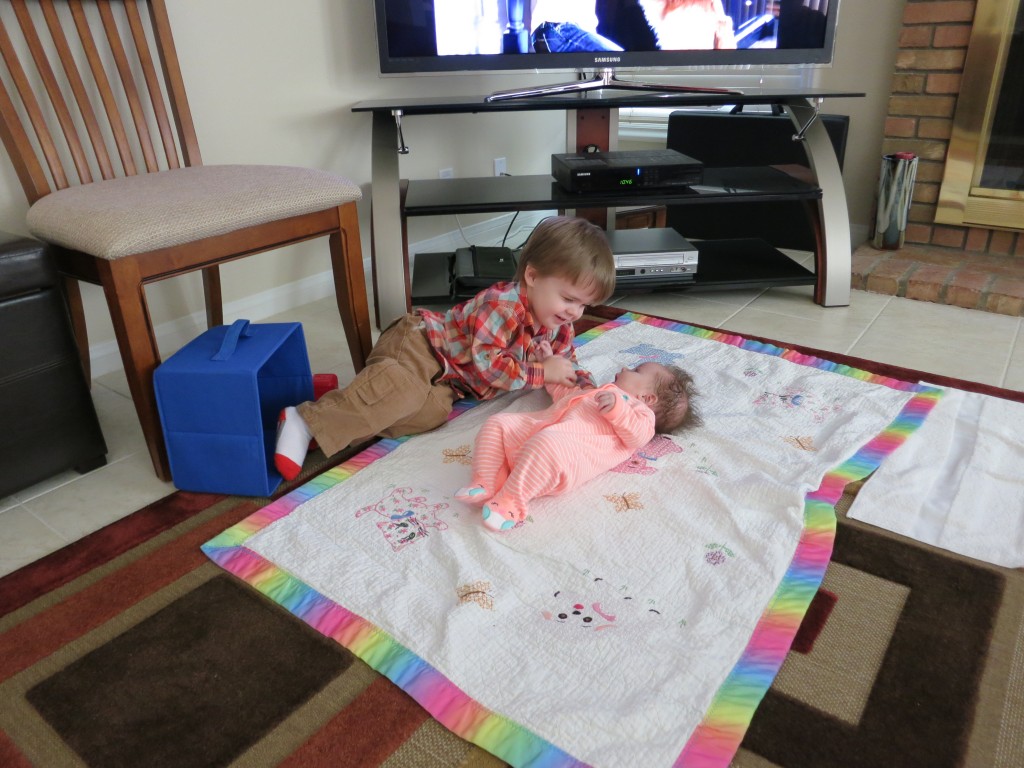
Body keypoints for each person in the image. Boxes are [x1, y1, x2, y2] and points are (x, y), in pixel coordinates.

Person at [273, 216, 617, 481]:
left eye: (583, 305)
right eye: (568, 298)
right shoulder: (502, 305)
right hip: (421, 344)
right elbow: (489, 367)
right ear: (532, 276)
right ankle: (303, 419)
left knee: (431, 415)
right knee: (402, 391)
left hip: (449, 381)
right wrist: (542, 371)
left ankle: (338, 412)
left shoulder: (559, 326)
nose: (574, 312)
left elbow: (568, 364)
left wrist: (589, 393)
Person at [455, 360, 700, 531]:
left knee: (546, 444)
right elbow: (564, 391)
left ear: (646, 398)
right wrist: (547, 369)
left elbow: (637, 436)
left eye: (636, 370)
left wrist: (618, 408)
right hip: (533, 433)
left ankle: (511, 501)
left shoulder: (639, 415)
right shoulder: (594, 393)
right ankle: (486, 481)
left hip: (563, 455)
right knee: (498, 423)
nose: (625, 368)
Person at [638, 0, 736, 50]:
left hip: (707, 69)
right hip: (676, 69)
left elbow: (724, 37)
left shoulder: (711, 4)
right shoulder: (663, 6)